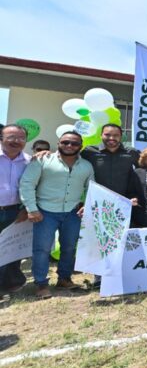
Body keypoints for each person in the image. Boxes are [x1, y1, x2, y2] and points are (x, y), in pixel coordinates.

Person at [19, 131, 93, 299]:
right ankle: (41, 283)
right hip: (45, 212)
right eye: (65, 142)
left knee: (69, 247)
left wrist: (86, 205)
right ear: (58, 143)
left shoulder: (87, 166)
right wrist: (31, 208)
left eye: (74, 143)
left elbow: (91, 188)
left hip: (72, 212)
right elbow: (27, 183)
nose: (69, 146)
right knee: (42, 249)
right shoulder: (42, 160)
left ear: (80, 146)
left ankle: (64, 279)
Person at [0, 124, 31, 291]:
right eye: (11, 137)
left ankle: (11, 282)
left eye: (21, 138)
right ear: (1, 138)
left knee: (11, 249)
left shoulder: (29, 161)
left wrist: (26, 208)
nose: (16, 141)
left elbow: (34, 186)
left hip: (15, 211)